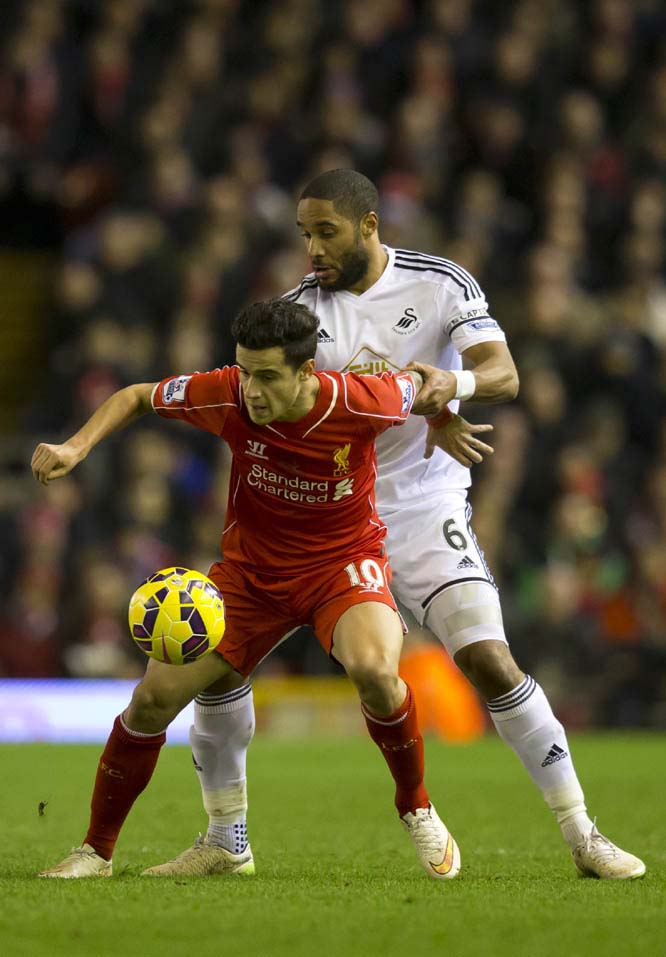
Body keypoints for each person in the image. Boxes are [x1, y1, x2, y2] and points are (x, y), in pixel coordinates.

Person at [144, 169, 644, 881]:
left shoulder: (439, 283)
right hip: (327, 516)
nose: (312, 248)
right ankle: (227, 835)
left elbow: (502, 372)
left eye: (326, 232)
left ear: (370, 225)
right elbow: (286, 406)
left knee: (488, 660)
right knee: (226, 664)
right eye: (304, 234)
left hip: (421, 503)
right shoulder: (297, 312)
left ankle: (584, 834)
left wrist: (451, 390)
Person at [33, 298, 462, 880]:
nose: (251, 390)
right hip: (250, 579)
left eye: (266, 376)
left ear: (307, 372)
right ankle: (97, 851)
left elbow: (424, 386)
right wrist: (75, 447)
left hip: (341, 565)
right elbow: (135, 395)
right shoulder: (226, 392)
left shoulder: (365, 399)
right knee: (150, 701)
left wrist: (444, 416)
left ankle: (416, 805)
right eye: (244, 370)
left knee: (377, 673)